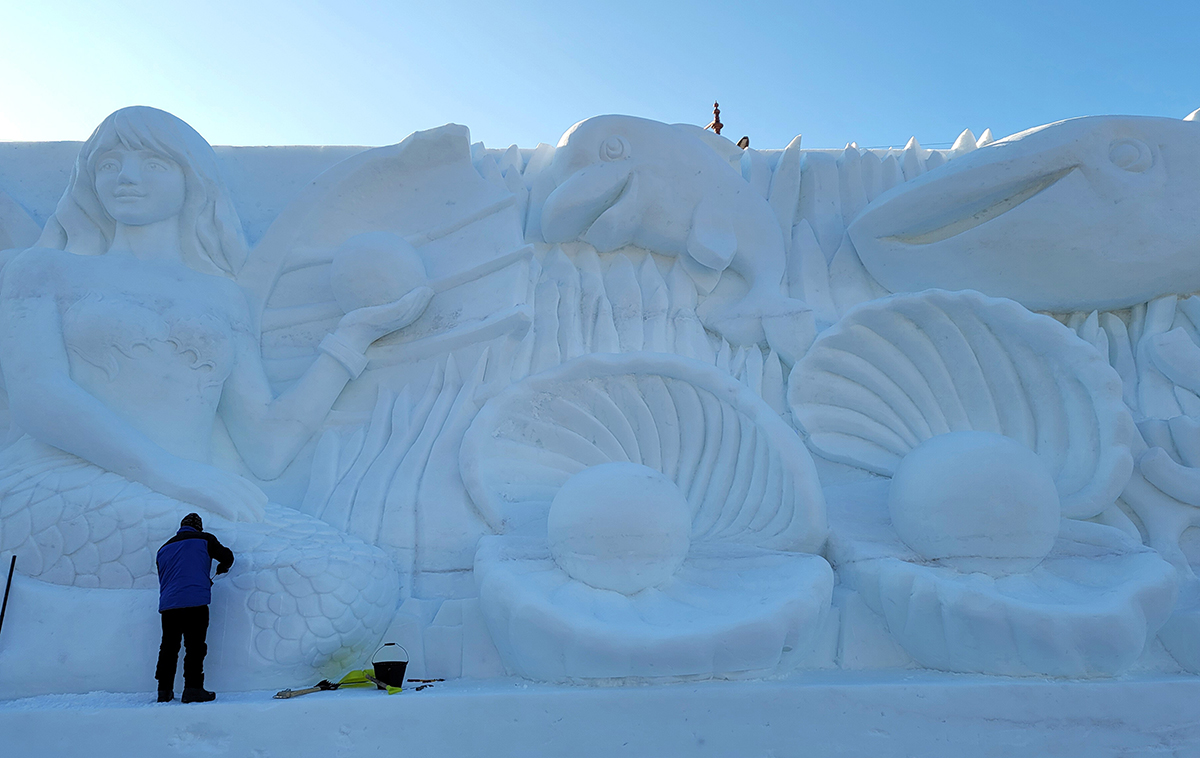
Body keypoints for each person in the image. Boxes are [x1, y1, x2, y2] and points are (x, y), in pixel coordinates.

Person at [155, 512, 234, 703]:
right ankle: (193, 689)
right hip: (194, 602)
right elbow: (227, 557)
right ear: (199, 527)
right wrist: (221, 568)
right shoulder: (204, 539)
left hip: (169, 604)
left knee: (168, 648)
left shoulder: (163, 549)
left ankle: (163, 691)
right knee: (195, 647)